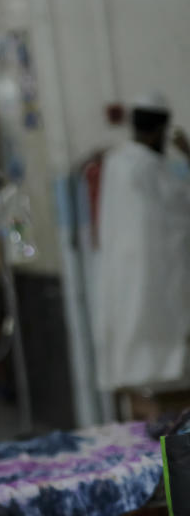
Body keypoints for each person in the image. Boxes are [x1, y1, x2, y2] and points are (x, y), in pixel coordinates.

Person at [91, 93, 190, 395]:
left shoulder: (115, 161)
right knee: (157, 361)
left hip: (122, 276)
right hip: (155, 282)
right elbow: (183, 209)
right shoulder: (149, 167)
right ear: (161, 130)